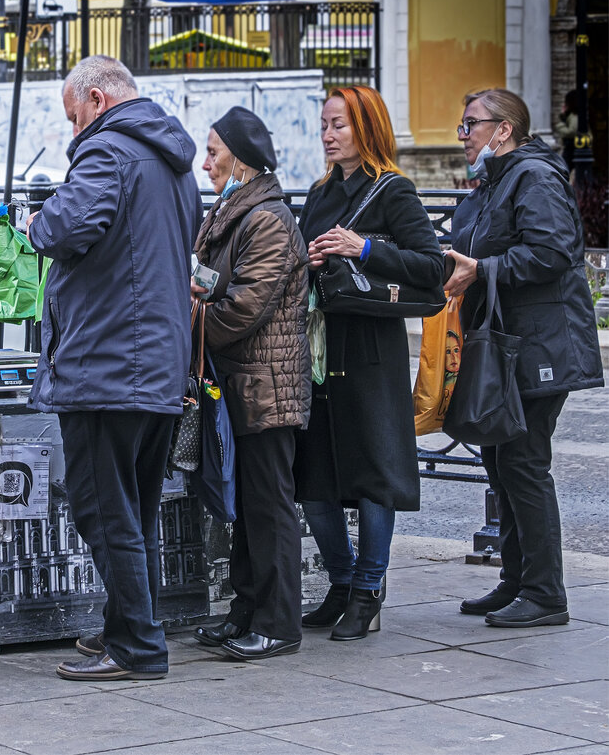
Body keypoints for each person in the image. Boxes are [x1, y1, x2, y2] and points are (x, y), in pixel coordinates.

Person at [25, 55, 201, 681]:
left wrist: (36, 219)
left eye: (74, 116)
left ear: (95, 99)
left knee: (101, 509)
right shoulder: (172, 160)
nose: (74, 130)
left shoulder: (108, 153)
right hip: (155, 362)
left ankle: (139, 647)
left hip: (108, 364)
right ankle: (128, 627)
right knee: (136, 508)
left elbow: (69, 227)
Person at [446, 88, 603, 627]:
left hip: (541, 346)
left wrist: (481, 270)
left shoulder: (533, 177)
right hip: (507, 345)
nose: (462, 136)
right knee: (500, 462)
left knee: (523, 463)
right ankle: (516, 581)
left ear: (504, 129)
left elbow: (554, 251)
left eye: (471, 125)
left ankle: (545, 595)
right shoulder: (497, 179)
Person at [294, 86, 443, 641]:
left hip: (373, 352)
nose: (329, 135)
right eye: (325, 125)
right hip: (320, 348)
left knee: (375, 472)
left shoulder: (394, 191)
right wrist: (307, 260)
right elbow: (307, 270)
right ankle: (341, 579)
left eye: (340, 125)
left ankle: (368, 588)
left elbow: (430, 266)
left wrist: (365, 249)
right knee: (314, 477)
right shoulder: (318, 193)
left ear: (367, 128)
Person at [189, 106, 311, 660]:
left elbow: (244, 307)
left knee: (269, 506)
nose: (206, 161)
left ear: (239, 156)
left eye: (213, 150)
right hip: (237, 381)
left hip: (266, 385)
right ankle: (245, 612)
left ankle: (279, 622)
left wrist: (192, 325)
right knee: (247, 506)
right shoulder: (234, 211)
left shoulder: (267, 219)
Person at [552, 89, 579, 174]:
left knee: (565, 170)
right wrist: (563, 115)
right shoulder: (572, 114)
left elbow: (571, 131)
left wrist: (559, 125)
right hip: (573, 147)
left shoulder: (574, 115)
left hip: (573, 147)